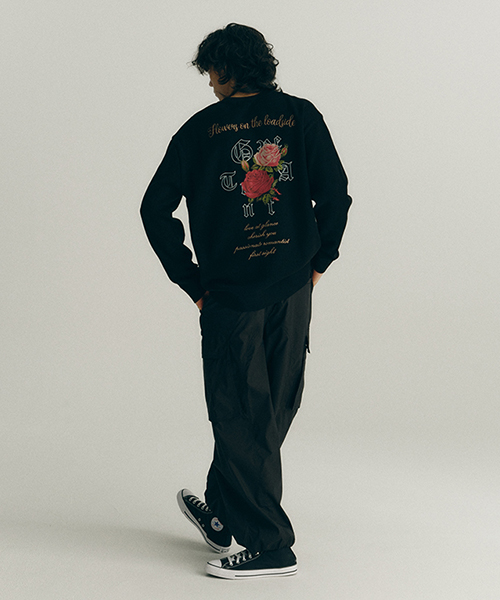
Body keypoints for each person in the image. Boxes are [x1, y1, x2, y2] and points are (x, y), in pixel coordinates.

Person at [140, 23, 352, 579]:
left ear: (227, 69)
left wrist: (192, 282)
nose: (209, 83)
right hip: (291, 287)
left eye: (211, 72)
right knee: (272, 407)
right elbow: (335, 194)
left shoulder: (198, 131)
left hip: (230, 297)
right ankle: (224, 511)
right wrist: (319, 261)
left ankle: (270, 545)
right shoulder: (301, 116)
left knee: (242, 411)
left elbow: (153, 209)